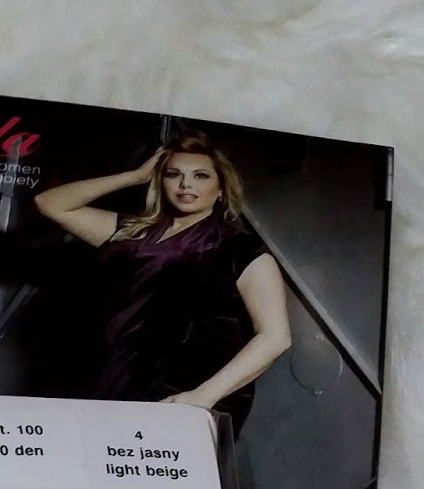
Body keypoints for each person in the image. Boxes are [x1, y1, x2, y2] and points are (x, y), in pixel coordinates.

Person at [34, 132, 291, 431]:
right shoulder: (132, 233)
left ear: (221, 188)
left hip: (182, 398)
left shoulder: (241, 250)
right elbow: (50, 203)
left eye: (200, 175)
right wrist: (133, 176)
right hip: (110, 383)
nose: (185, 184)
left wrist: (202, 397)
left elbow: (275, 337)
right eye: (173, 174)